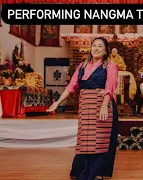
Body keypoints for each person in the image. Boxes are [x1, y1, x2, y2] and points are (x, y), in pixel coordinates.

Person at [46, 37, 119, 180]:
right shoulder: (82, 66)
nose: (96, 48)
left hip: (102, 105)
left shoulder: (110, 65)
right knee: (85, 139)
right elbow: (71, 86)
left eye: (100, 46)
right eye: (94, 45)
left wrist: (104, 105)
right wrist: (58, 102)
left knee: (100, 139)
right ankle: (83, 169)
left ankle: (98, 171)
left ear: (105, 51)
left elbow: (110, 86)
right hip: (86, 107)